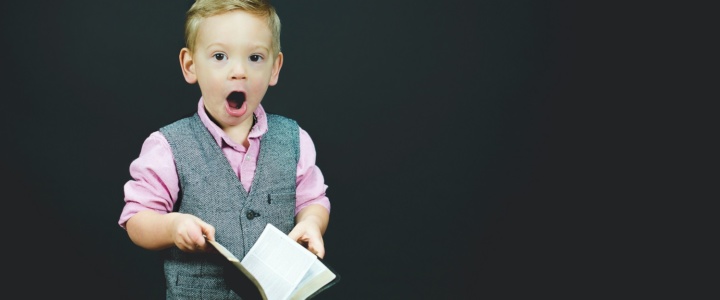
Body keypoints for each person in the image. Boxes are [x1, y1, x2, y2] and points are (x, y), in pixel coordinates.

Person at [117, 0, 331, 298]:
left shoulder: (294, 139)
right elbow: (136, 219)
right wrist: (172, 226)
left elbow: (313, 198)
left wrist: (311, 222)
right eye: (220, 56)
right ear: (191, 66)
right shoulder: (167, 146)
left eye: (255, 57)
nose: (239, 71)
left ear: (274, 68)